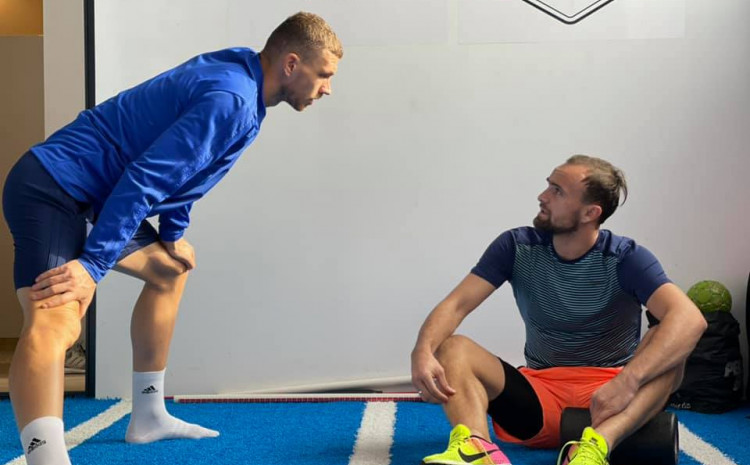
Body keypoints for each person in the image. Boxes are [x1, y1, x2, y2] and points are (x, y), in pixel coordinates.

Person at [2, 11, 342, 465]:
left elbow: (187, 171)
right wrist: (92, 267)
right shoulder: (232, 98)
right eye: (324, 75)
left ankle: (147, 416)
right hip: (52, 187)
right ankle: (45, 457)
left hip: (100, 197)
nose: (327, 88)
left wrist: (172, 234)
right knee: (57, 317)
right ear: (291, 64)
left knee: (170, 271)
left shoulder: (243, 78)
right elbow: (144, 178)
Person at [410, 155, 707, 465]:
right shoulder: (516, 246)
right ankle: (477, 449)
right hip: (538, 399)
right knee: (453, 347)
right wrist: (422, 352)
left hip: (612, 402)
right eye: (548, 186)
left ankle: (594, 449)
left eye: (558, 191)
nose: (543, 196)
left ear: (591, 213)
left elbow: (690, 319)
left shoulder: (625, 257)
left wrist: (628, 382)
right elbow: (456, 304)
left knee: (670, 341)